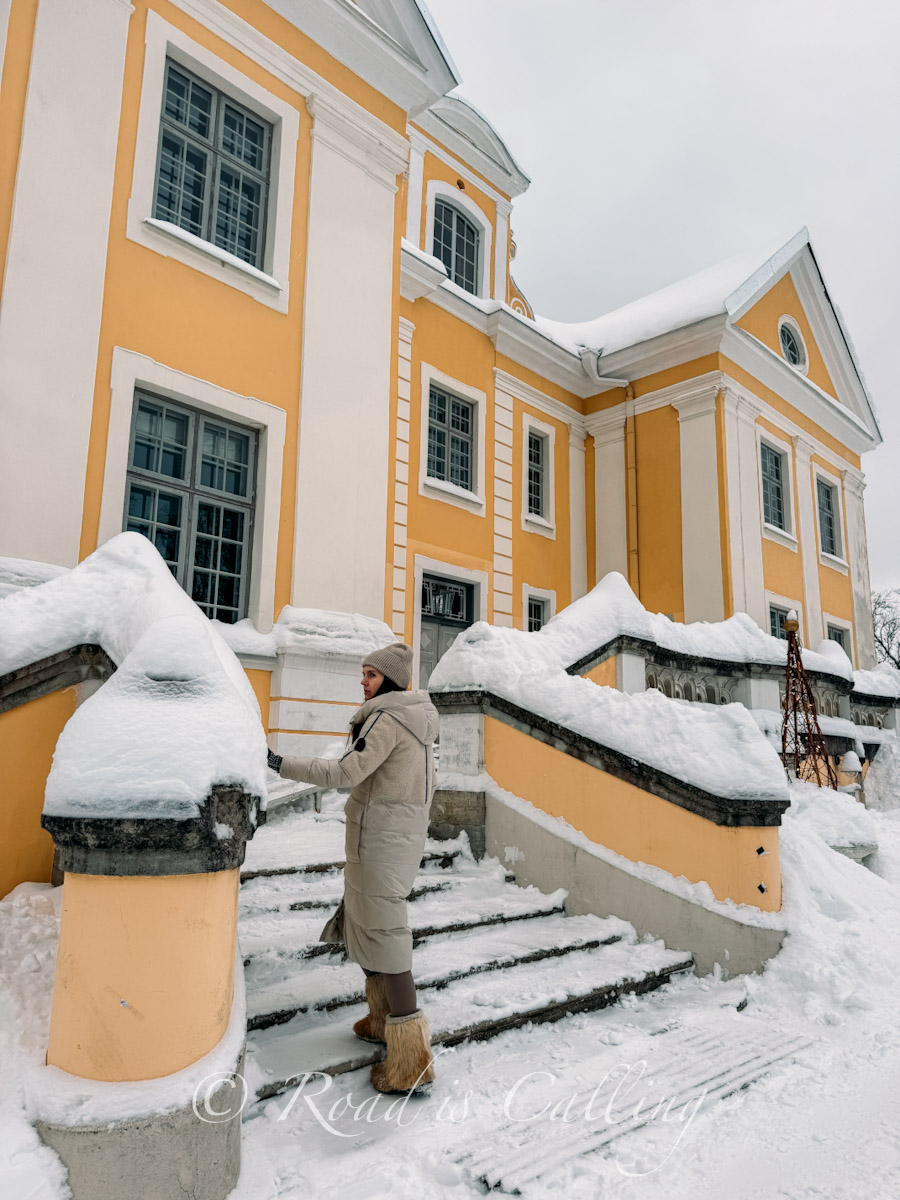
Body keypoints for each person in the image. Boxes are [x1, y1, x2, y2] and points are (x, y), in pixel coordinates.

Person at [266, 641, 440, 1095]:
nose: (362, 681)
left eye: (370, 675)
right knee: (366, 924)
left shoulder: (387, 719)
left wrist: (278, 763)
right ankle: (383, 1019)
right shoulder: (415, 719)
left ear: (392, 680)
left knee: (385, 930)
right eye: (363, 673)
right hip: (390, 838)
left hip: (382, 841)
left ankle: (410, 1059)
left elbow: (346, 773)